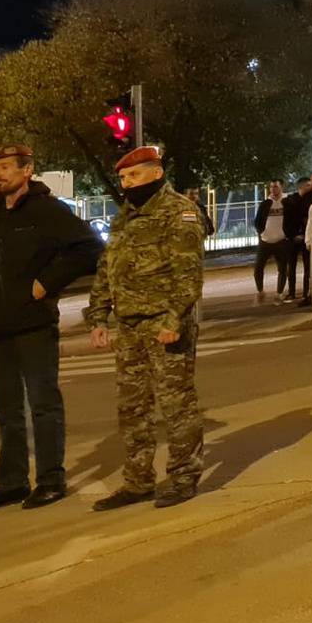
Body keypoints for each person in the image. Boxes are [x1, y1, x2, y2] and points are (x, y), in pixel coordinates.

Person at [0, 145, 103, 513]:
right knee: (5, 407)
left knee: (43, 404)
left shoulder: (46, 210)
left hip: (34, 322)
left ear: (28, 170)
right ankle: (11, 482)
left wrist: (47, 282)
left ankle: (50, 480)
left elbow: (89, 248)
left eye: (7, 167)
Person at [83, 145, 206, 510]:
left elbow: (188, 274)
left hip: (164, 325)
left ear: (156, 173)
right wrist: (98, 315)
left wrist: (172, 320)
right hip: (129, 326)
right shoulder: (125, 216)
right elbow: (109, 267)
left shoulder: (179, 212)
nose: (126, 183)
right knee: (133, 409)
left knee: (176, 405)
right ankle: (138, 481)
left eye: (134, 175)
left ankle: (184, 476)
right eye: (122, 177)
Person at [252, 180, 290, 304]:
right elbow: (257, 221)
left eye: (276, 186)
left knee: (283, 269)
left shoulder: (287, 202)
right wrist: (261, 233)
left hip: (281, 241)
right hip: (266, 241)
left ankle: (279, 294)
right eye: (271, 187)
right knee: (258, 268)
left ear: (281, 187)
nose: (273, 189)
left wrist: (288, 234)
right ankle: (260, 291)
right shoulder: (265, 203)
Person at [280, 175, 312, 303]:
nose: (311, 188)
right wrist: (293, 235)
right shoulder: (290, 201)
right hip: (292, 238)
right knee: (291, 266)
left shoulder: (309, 200)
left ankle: (306, 292)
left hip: (306, 237)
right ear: (302, 187)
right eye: (309, 185)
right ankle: (292, 292)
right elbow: (286, 221)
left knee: (308, 267)